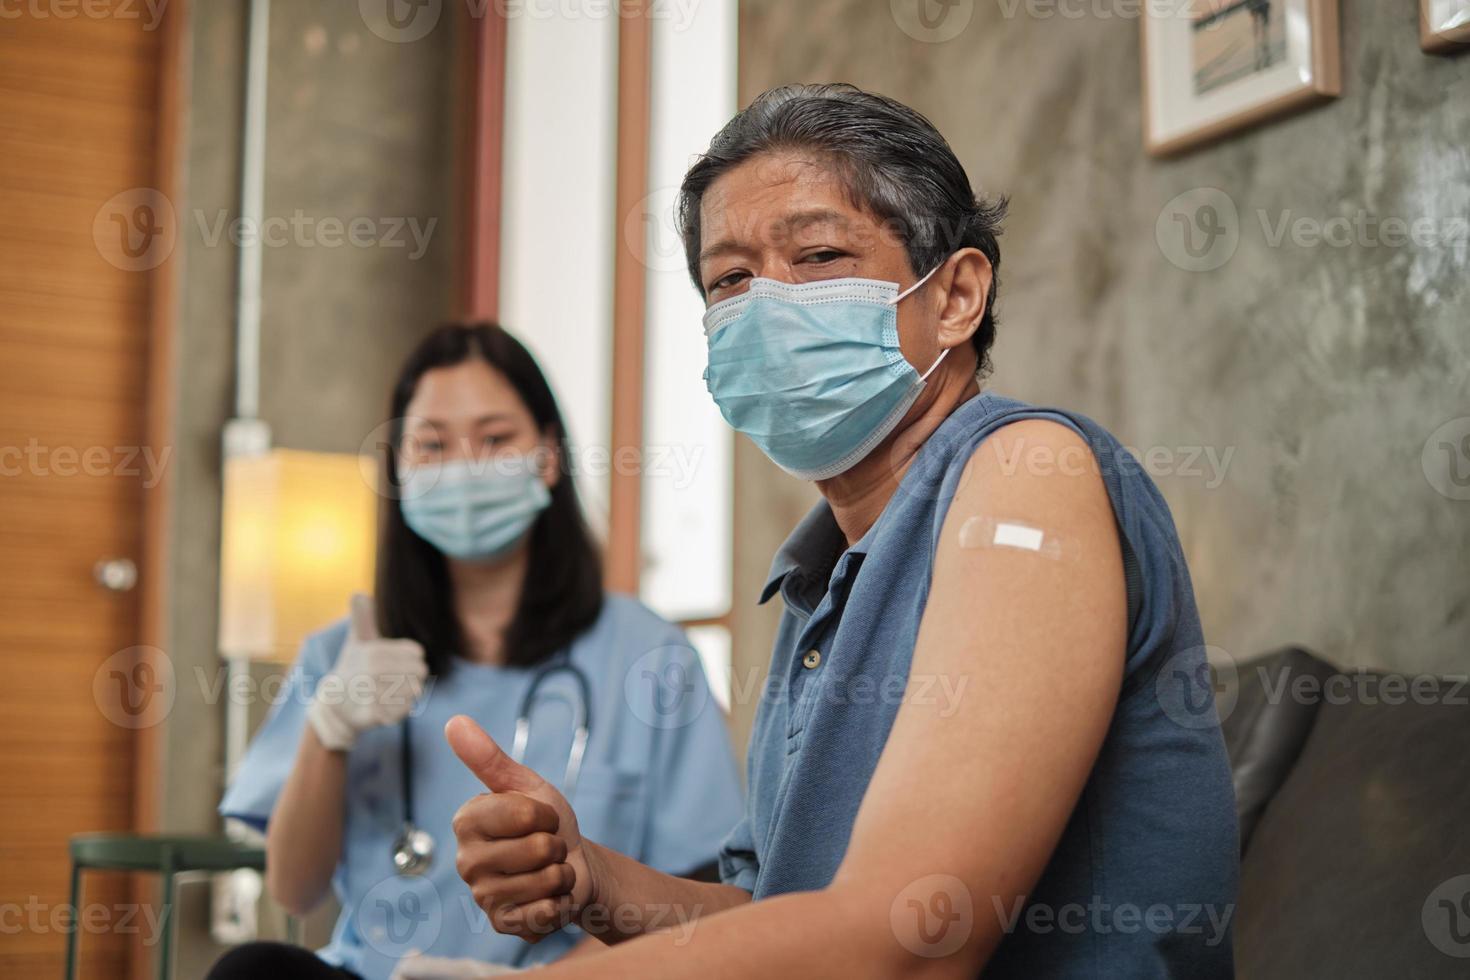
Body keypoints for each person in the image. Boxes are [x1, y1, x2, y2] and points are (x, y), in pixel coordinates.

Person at [444, 84, 1240, 978]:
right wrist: (590, 878)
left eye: (819, 254)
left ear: (957, 295)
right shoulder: (826, 574)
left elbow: (908, 936)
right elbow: (782, 920)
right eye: (730, 279)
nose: (766, 308)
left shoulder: (1027, 478)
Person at [208, 323, 743, 980]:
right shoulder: (344, 655)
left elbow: (693, 890)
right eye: (432, 445)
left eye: (495, 439)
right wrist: (328, 730)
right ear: (398, 468)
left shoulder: (650, 657)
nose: (463, 465)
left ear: (548, 457)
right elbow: (294, 889)